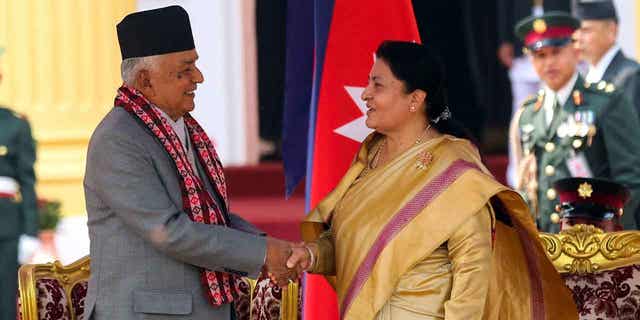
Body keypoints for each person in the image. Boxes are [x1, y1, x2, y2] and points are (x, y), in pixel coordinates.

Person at [287, 41, 577, 319]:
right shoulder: (371, 155)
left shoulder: (453, 167)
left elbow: (472, 274)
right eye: (368, 83)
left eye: (378, 85)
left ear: (415, 99)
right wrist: (312, 255)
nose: (365, 94)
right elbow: (354, 243)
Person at [83, 6, 295, 319]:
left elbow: (212, 218)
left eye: (195, 65)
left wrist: (267, 245)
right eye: (184, 70)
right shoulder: (117, 140)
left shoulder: (182, 127)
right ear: (146, 80)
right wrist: (263, 254)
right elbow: (170, 231)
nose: (199, 77)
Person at [510, 11, 640, 233]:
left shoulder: (607, 102)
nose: (549, 62)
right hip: (548, 246)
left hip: (599, 245)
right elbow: (529, 188)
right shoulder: (529, 114)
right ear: (531, 59)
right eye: (540, 55)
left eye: (556, 52)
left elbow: (630, 182)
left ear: (575, 50)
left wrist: (607, 236)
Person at [497, 0, 571, 187]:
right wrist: (505, 38)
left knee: (559, 109)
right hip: (523, 39)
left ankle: (559, 172)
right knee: (522, 115)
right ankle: (518, 176)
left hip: (558, 34)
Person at [0, 46, 39, 320]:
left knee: (4, 301)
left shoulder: (14, 125)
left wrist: (30, 230)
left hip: (5, 225)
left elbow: (27, 180)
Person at [574, 0, 640, 115]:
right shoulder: (583, 78)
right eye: (576, 31)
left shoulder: (631, 77)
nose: (578, 38)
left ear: (612, 31)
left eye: (586, 31)